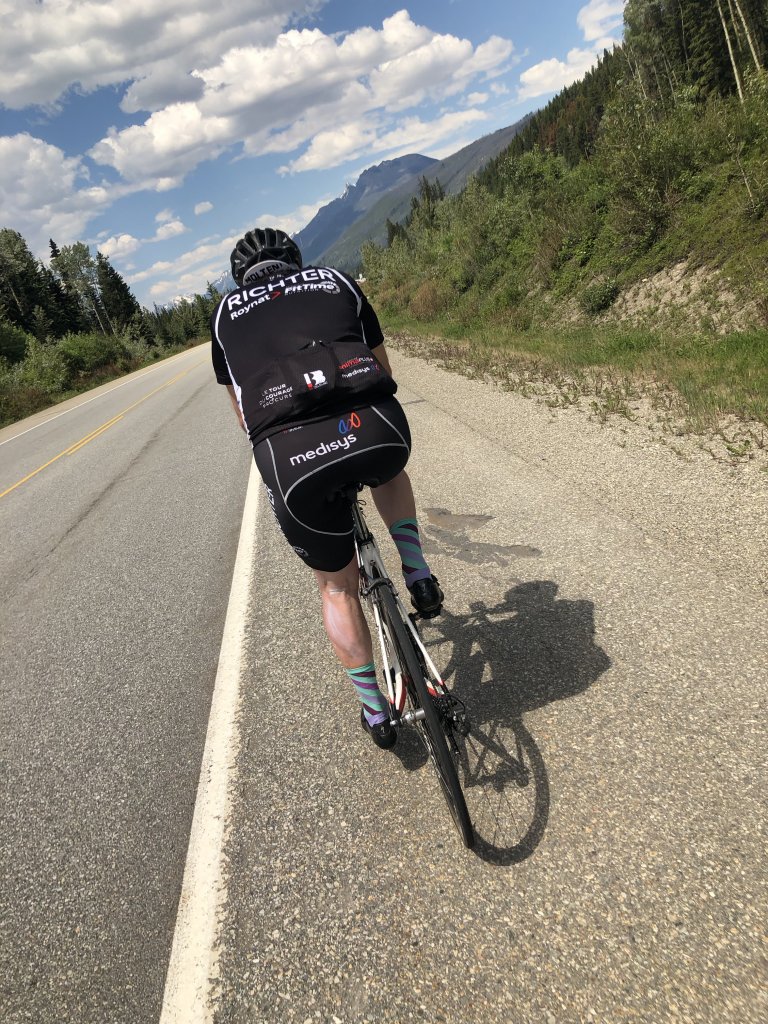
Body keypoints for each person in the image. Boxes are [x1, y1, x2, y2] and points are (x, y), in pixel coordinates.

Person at [211, 227, 442, 750]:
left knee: (337, 588)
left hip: (293, 460)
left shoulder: (225, 314)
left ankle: (376, 713)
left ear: (239, 278)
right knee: (387, 470)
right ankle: (417, 571)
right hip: (376, 430)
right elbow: (382, 368)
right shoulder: (336, 279)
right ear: (296, 263)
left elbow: (244, 414)